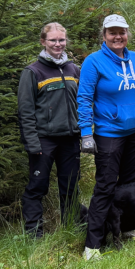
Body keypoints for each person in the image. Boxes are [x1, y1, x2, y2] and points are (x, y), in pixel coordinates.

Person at [78, 14, 135, 261]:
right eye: (112, 32)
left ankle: (126, 229)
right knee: (105, 187)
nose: (118, 37)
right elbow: (84, 98)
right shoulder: (93, 62)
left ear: (128, 34)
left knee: (130, 183)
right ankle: (92, 245)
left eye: (122, 32)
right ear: (104, 35)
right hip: (109, 134)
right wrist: (86, 133)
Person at [17, 22, 86, 239]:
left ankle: (70, 229)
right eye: (53, 40)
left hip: (70, 139)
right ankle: (34, 235)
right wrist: (32, 143)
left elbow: (82, 103)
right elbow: (25, 111)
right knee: (37, 187)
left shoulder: (73, 69)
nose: (58, 44)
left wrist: (83, 133)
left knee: (70, 188)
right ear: (43, 42)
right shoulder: (33, 72)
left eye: (61, 40)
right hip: (43, 140)